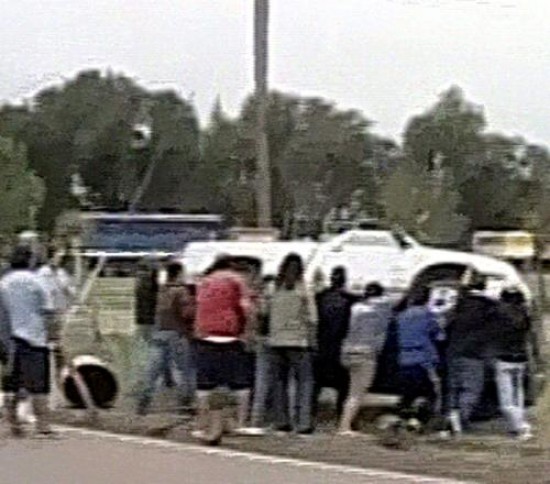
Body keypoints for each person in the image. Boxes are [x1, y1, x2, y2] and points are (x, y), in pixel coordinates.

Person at [192, 256, 254, 445]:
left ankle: (202, 424)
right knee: (239, 384)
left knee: (205, 386)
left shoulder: (204, 282)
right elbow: (246, 308)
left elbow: (199, 309)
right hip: (230, 336)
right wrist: (248, 331)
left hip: (206, 336)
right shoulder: (236, 280)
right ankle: (238, 423)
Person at [0, 245, 56, 437]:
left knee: (12, 383)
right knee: (39, 385)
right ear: (30, 260)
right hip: (34, 338)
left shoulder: (4, 282)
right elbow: (48, 311)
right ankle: (43, 426)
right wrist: (53, 334)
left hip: (10, 339)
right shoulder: (38, 281)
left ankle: (13, 423)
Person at [266, 254, 318, 435]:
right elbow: (312, 318)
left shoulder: (273, 287)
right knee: (304, 382)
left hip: (276, 340)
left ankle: (281, 420)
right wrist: (313, 341)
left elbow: (264, 312)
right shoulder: (304, 289)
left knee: (279, 382)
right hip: (298, 340)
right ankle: (303, 422)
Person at [136, 260, 196, 415]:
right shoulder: (181, 291)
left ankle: (143, 402)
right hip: (177, 333)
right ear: (178, 274)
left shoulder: (162, 290)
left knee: (153, 370)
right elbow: (187, 314)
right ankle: (185, 403)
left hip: (160, 332)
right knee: (185, 370)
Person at [445, 273, 501, 434]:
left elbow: (446, 326)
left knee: (453, 389)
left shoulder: (457, 305)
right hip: (474, 354)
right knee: (470, 389)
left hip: (453, 352)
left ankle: (450, 417)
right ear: (484, 287)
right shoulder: (489, 306)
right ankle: (460, 421)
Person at [339, 282, 392, 435]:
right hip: (367, 352)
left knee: (352, 391)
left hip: (349, 350)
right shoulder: (383, 309)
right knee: (357, 392)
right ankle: (345, 426)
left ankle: (345, 424)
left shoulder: (355, 308)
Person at [313, 267, 358, 421]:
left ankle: (310, 413)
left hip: (322, 345)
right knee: (343, 384)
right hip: (341, 345)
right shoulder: (351, 300)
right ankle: (341, 416)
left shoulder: (319, 297)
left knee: (316, 383)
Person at [395, 286, 442, 428]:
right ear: (427, 299)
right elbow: (439, 335)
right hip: (422, 359)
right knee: (431, 393)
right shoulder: (427, 314)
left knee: (407, 393)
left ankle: (404, 419)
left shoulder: (401, 315)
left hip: (403, 358)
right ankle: (419, 421)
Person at [493, 288, 533, 440]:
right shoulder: (524, 314)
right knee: (518, 395)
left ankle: (520, 427)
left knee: (506, 399)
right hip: (520, 359)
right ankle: (518, 424)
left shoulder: (500, 313)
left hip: (503, 359)